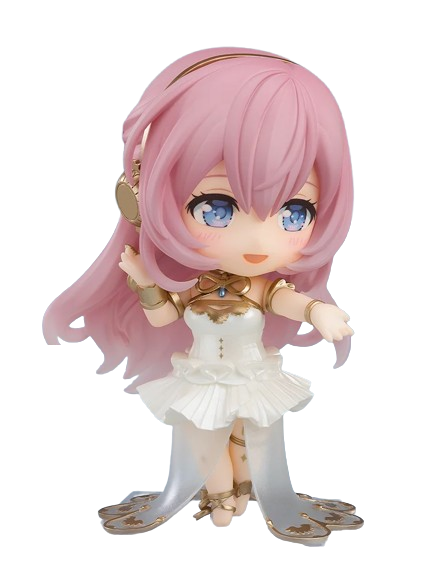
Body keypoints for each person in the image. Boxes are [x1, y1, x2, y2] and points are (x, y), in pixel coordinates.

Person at [43, 47, 362, 545]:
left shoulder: (261, 286)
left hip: (251, 373)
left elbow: (286, 300)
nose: (259, 241)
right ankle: (218, 496)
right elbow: (161, 317)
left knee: (250, 434)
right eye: (217, 208)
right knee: (203, 437)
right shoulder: (194, 286)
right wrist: (145, 282)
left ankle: (247, 488)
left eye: (295, 213)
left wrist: (321, 312)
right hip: (201, 374)